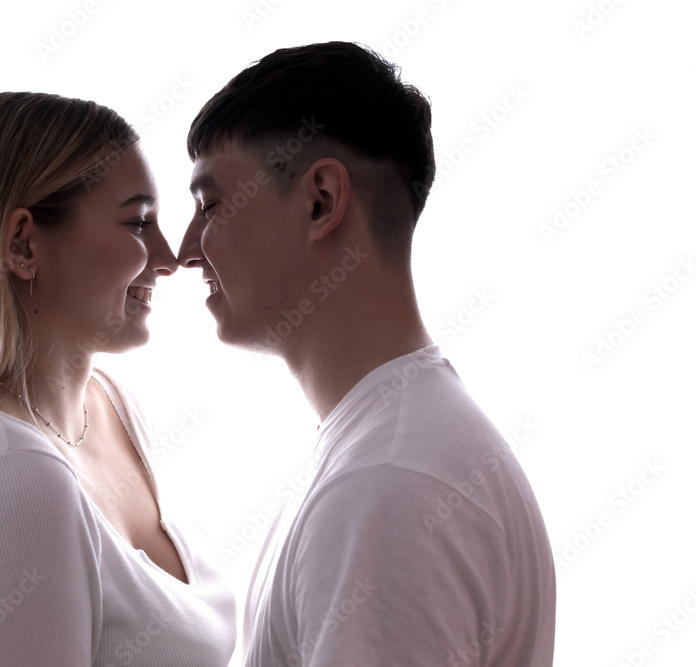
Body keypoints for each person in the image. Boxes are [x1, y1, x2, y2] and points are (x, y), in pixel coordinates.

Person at [178, 42, 556, 666]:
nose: (188, 248)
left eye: (210, 205)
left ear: (321, 200)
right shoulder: (399, 450)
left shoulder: (386, 486)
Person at [0, 92, 235, 666]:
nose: (167, 256)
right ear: (23, 243)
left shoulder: (111, 404)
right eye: (137, 222)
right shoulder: (9, 481)